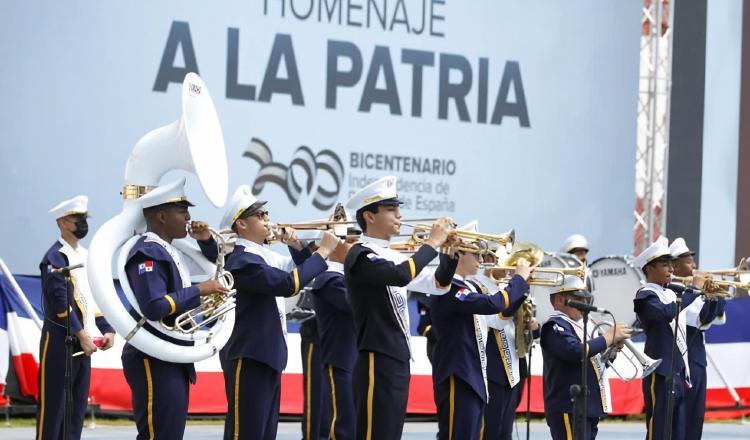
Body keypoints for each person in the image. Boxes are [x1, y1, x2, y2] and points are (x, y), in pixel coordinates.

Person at [219, 185, 339, 440]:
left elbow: (299, 270)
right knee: (247, 433)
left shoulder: (261, 254)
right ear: (241, 224)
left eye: (266, 214)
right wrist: (325, 251)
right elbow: (287, 284)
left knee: (264, 433)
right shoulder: (242, 260)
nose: (267, 220)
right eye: (260, 215)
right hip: (249, 356)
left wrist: (295, 244)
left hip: (267, 355)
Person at [343, 175, 455, 439]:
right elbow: (400, 276)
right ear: (369, 216)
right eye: (391, 209)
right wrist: (432, 243)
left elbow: (437, 284)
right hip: (376, 357)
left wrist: (449, 254)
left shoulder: (393, 256)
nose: (399, 216)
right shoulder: (360, 254)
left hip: (396, 358)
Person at [121, 179, 229, 440]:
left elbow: (215, 265)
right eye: (182, 212)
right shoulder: (148, 251)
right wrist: (200, 290)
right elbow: (155, 306)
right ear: (161, 216)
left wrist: (204, 240)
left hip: (171, 356)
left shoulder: (170, 250)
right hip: (153, 356)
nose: (189, 217)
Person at [428, 219, 532, 440]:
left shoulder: (467, 288)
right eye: (475, 254)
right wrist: (519, 280)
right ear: (459, 255)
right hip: (459, 375)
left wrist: (519, 289)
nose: (480, 260)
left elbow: (498, 319)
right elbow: (492, 305)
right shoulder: (450, 288)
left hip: (473, 377)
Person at [37, 195, 116, 440]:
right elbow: (59, 300)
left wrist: (106, 327)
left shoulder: (87, 254)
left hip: (84, 342)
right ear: (62, 223)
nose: (82, 224)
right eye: (76, 220)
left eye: (83, 219)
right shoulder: (55, 256)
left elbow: (93, 296)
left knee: (76, 408)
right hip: (62, 340)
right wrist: (82, 334)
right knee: (54, 407)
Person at [633, 237, 706, 440]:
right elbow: (666, 313)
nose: (671, 269)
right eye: (664, 264)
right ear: (649, 268)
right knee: (659, 430)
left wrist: (709, 295)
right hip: (661, 370)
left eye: (670, 264)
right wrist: (694, 290)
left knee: (677, 431)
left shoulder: (671, 292)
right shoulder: (645, 295)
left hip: (678, 370)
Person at [541, 275, 631, 440]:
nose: (584, 304)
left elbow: (595, 364)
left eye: (585, 299)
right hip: (568, 405)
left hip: (588, 405)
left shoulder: (586, 326)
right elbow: (574, 352)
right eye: (578, 299)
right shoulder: (555, 325)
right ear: (560, 299)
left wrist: (610, 352)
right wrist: (607, 338)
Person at [669, 238, 727, 440]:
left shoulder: (693, 291)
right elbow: (701, 320)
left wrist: (717, 296)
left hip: (698, 359)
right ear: (674, 266)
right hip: (685, 360)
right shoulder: (675, 291)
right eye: (687, 262)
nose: (693, 266)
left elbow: (718, 320)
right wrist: (710, 297)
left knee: (696, 417)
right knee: (684, 417)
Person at [311, 226, 359, 440]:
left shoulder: (347, 277)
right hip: (342, 361)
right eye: (352, 242)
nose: (358, 248)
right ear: (336, 244)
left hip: (357, 361)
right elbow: (356, 305)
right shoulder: (329, 278)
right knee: (344, 428)